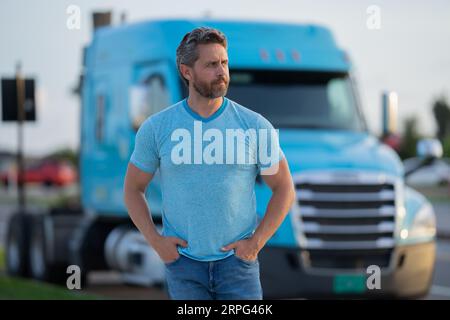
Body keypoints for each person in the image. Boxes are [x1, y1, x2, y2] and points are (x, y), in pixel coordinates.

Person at [123, 26, 295, 300]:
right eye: (212, 64)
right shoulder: (156, 128)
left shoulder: (256, 126)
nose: (222, 72)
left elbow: (284, 188)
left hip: (238, 266)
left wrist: (255, 244)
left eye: (224, 63)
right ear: (186, 71)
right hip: (183, 266)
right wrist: (156, 242)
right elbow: (133, 189)